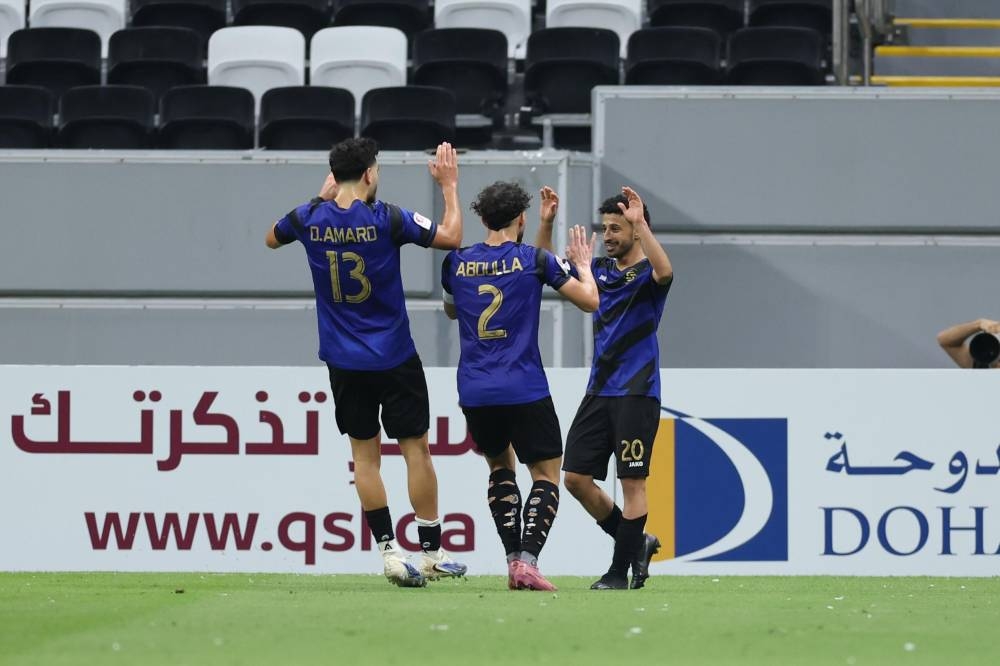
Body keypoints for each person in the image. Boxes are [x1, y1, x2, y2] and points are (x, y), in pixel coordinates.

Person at [265, 138, 467, 588]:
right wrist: (449, 186)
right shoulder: (387, 217)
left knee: (364, 458)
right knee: (416, 449)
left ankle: (390, 553)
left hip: (343, 360)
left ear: (334, 175)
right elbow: (452, 237)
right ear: (371, 174)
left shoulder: (307, 217)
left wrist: (320, 198)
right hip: (394, 355)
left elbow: (270, 238)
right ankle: (431, 553)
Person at [441, 181, 599, 591]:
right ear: (521, 218)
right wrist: (583, 264)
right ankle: (528, 561)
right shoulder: (532, 260)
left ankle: (513, 560)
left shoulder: (455, 262)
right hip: (524, 385)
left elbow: (451, 310)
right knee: (545, 474)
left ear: (481, 218)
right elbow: (589, 301)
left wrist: (544, 227)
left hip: (476, 389)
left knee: (499, 467)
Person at [536, 185, 673, 590]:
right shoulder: (594, 270)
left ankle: (617, 573)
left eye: (618, 228)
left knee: (633, 484)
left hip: (636, 391)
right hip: (598, 391)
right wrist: (545, 223)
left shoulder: (650, 273)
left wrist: (641, 223)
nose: (609, 235)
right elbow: (545, 268)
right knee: (575, 478)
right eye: (607, 228)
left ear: (635, 231)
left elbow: (666, 271)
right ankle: (637, 544)